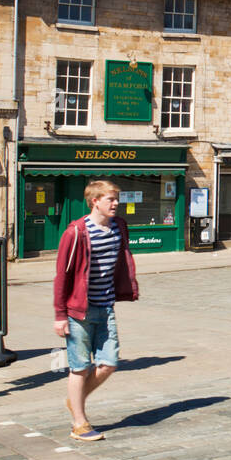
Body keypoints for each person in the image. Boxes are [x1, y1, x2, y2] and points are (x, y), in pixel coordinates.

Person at [53, 180, 139, 443]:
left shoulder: (119, 227)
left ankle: (75, 400)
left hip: (106, 306)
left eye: (117, 199)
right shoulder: (76, 232)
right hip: (79, 311)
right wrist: (59, 315)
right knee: (79, 368)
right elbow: (62, 276)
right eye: (110, 199)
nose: (116, 204)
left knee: (109, 363)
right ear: (95, 201)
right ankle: (79, 423)